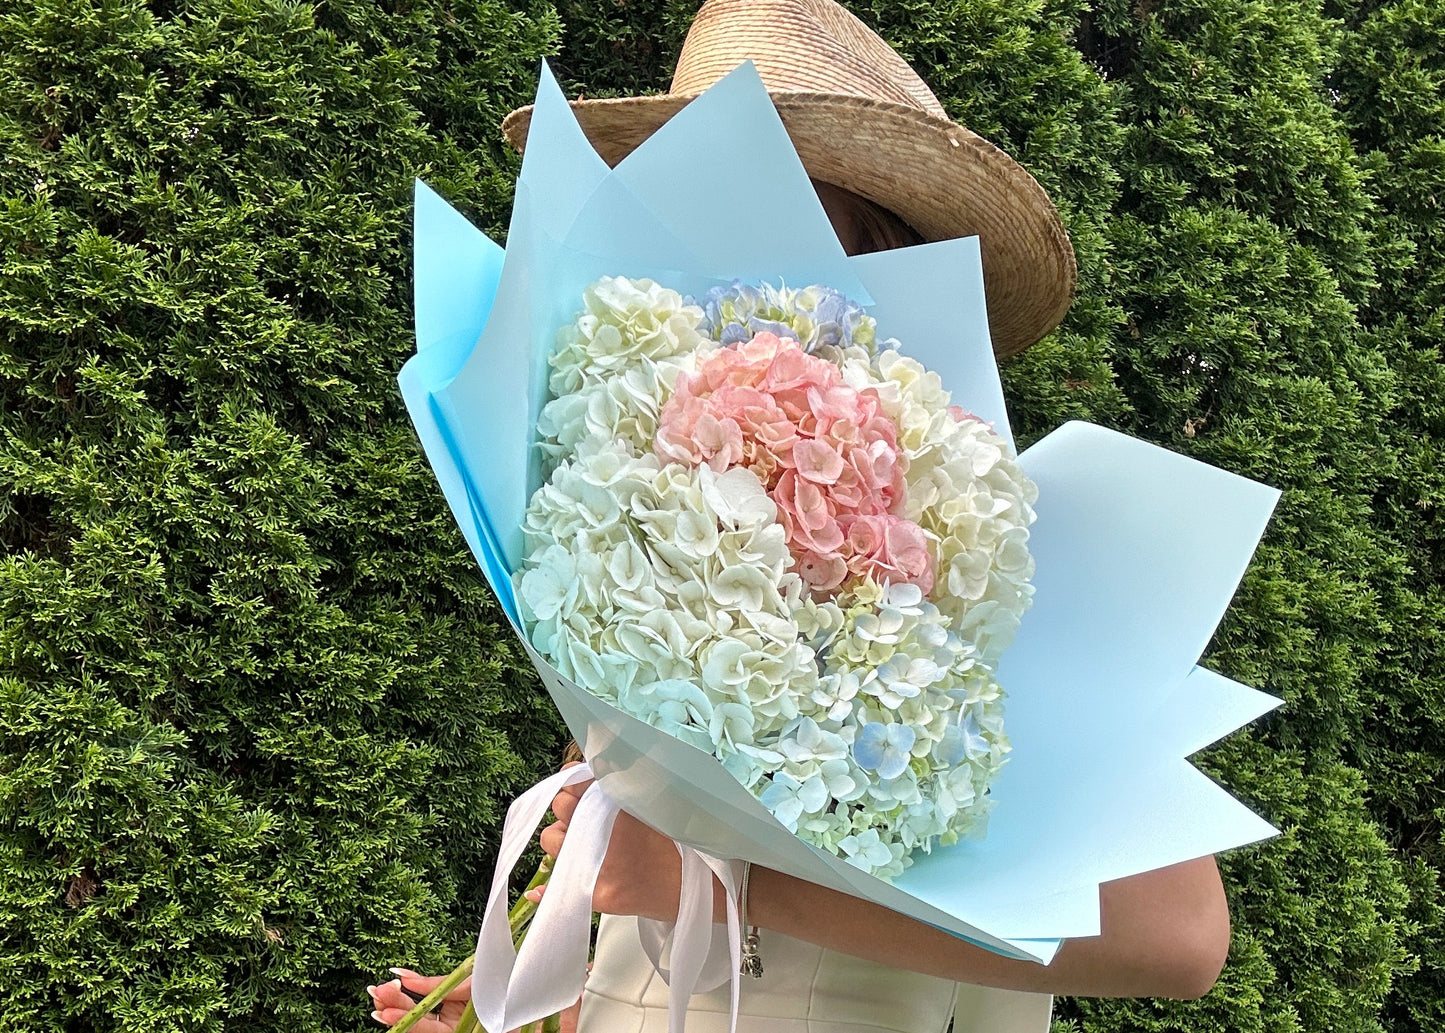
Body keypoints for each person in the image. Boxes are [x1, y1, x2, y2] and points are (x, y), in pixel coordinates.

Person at [372, 1, 1232, 1029]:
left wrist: (712, 885)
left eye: (758, 200)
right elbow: (642, 886)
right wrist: (518, 990)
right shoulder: (659, 511)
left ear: (876, 251)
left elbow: (1175, 936)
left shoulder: (980, 553)